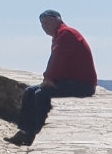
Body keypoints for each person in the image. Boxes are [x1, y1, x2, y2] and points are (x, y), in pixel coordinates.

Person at [8, 10, 97, 145]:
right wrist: (49, 78)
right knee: (30, 91)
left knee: (41, 94)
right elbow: (58, 61)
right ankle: (24, 132)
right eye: (42, 24)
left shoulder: (66, 34)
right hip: (70, 81)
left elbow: (58, 60)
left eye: (46, 23)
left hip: (82, 85)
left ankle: (35, 133)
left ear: (57, 20)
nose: (44, 27)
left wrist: (48, 79)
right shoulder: (60, 35)